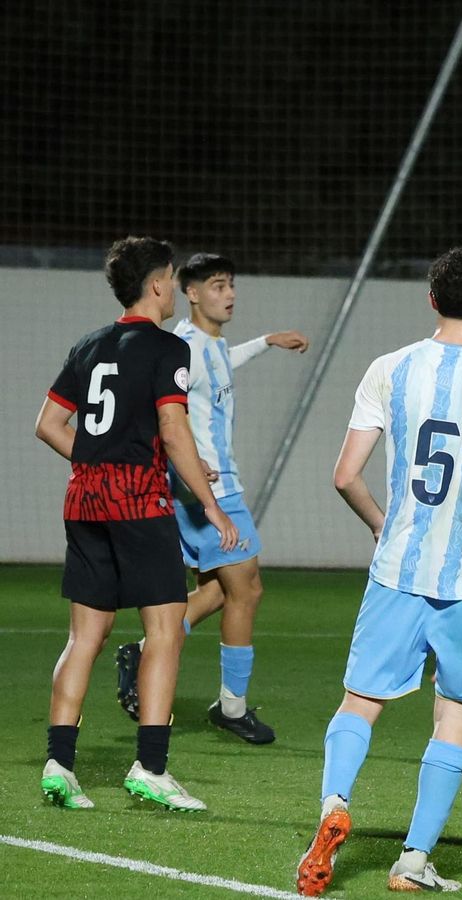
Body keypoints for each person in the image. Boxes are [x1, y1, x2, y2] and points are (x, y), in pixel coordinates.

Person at [294, 246, 462, 896]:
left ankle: (335, 803)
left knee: (359, 702)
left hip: (397, 569)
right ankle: (412, 860)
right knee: (454, 716)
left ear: (432, 299)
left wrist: (377, 521)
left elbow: (344, 475)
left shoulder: (389, 369)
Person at [35, 236, 238, 812]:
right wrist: (210, 505)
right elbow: (174, 433)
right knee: (167, 631)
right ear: (156, 284)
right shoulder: (169, 349)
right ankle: (150, 768)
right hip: (139, 504)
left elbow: (50, 424)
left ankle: (59, 764)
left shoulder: (89, 345)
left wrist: (94, 462)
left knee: (84, 637)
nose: (173, 289)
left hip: (83, 503)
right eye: (171, 279)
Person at [114, 252, 309, 744]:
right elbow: (159, 413)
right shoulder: (182, 348)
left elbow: (223, 361)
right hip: (209, 492)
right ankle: (231, 707)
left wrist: (267, 341)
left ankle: (144, 649)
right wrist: (187, 469)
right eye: (219, 285)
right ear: (192, 292)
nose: (230, 294)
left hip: (213, 488)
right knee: (248, 589)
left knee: (222, 591)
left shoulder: (209, 345)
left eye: (232, 285)